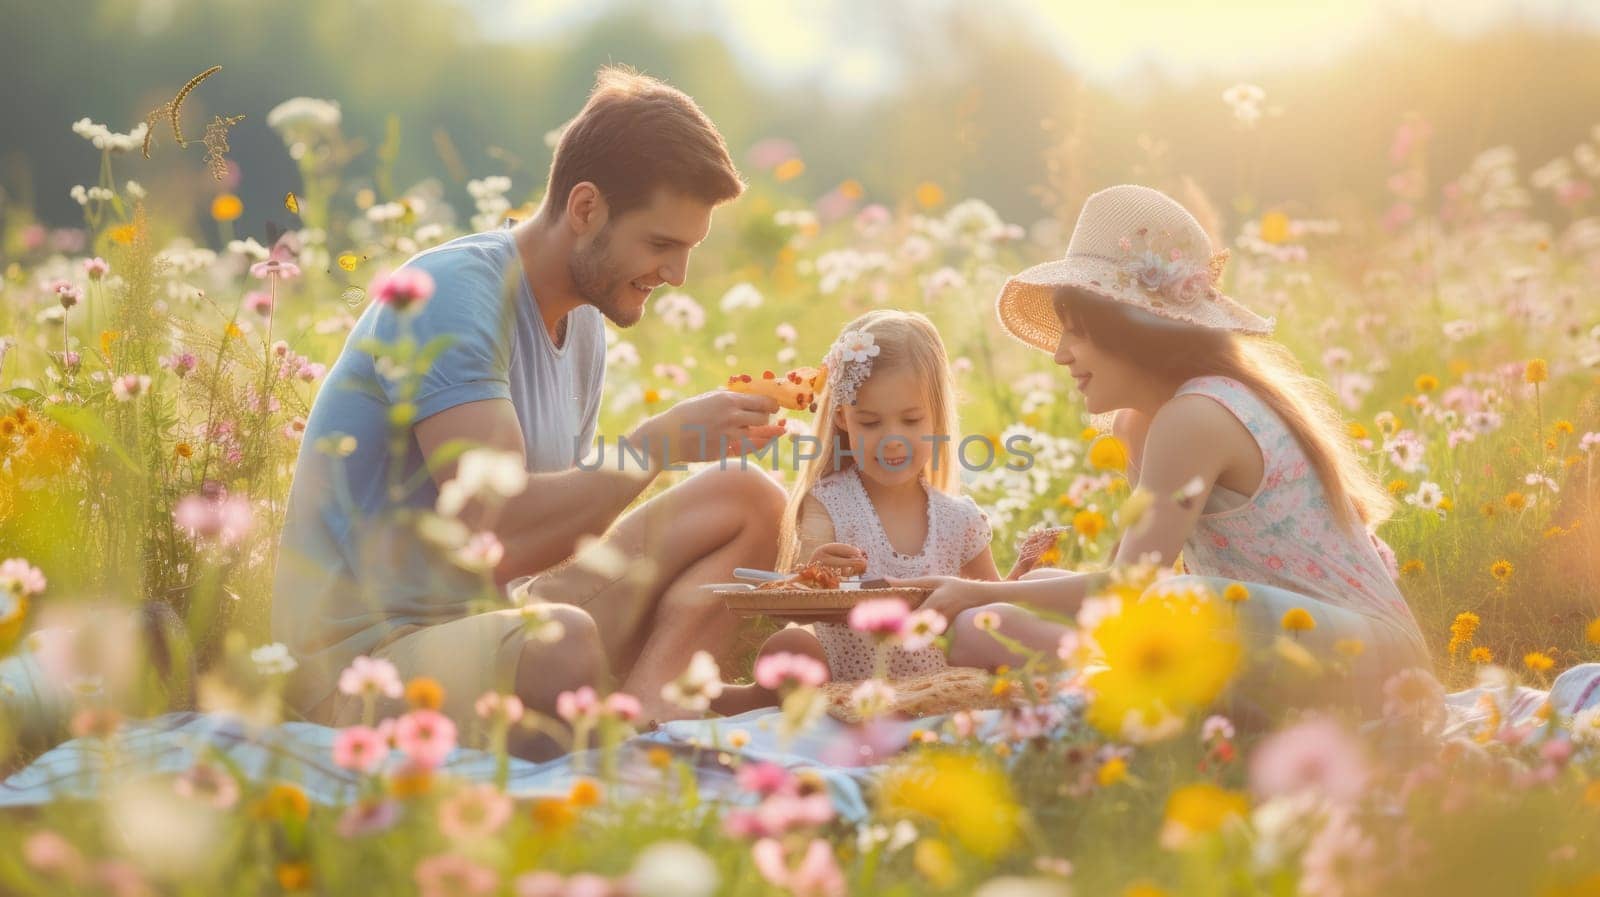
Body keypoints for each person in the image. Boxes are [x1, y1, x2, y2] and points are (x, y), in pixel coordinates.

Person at [272, 67, 789, 757]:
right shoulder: (452, 293)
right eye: (662, 244)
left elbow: (538, 546)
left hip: (488, 620)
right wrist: (648, 451)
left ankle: (650, 705)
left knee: (748, 497)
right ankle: (619, 712)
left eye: (688, 249)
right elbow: (499, 534)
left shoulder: (582, 329)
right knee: (563, 641)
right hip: (364, 662)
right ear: (585, 209)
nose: (677, 275)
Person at [894, 184, 1431, 719]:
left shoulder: (1197, 415)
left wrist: (975, 592)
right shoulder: (1140, 424)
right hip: (1272, 635)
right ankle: (1111, 680)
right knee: (1020, 597)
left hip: (1374, 667)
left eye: (1076, 334)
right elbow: (1124, 583)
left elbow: (1133, 589)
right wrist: (991, 599)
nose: (1059, 355)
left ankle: (1108, 689)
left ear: (1130, 334)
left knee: (1172, 606)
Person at [714, 311, 1002, 714]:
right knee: (791, 645)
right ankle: (733, 699)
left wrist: (1020, 583)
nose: (892, 439)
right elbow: (799, 580)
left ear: (938, 415)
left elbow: (993, 607)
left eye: (911, 419)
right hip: (841, 682)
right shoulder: (831, 501)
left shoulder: (960, 520)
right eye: (870, 423)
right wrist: (816, 570)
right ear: (842, 419)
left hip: (936, 686)